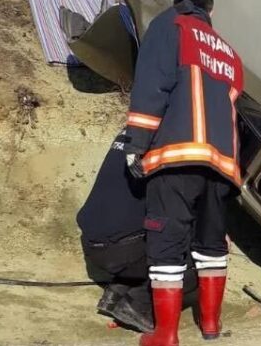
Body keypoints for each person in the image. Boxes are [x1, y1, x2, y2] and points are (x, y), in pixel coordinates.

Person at [123, 0, 243, 346]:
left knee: (167, 240)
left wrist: (137, 143)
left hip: (178, 156)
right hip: (221, 164)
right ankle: (211, 325)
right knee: (210, 242)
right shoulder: (228, 51)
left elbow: (152, 84)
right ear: (211, 12)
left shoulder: (170, 25)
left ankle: (167, 334)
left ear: (180, 4)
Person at [75, 128, 199, 334]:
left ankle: (118, 291)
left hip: (93, 239)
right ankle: (140, 304)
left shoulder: (136, 126)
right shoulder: (175, 141)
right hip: (119, 248)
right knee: (204, 251)